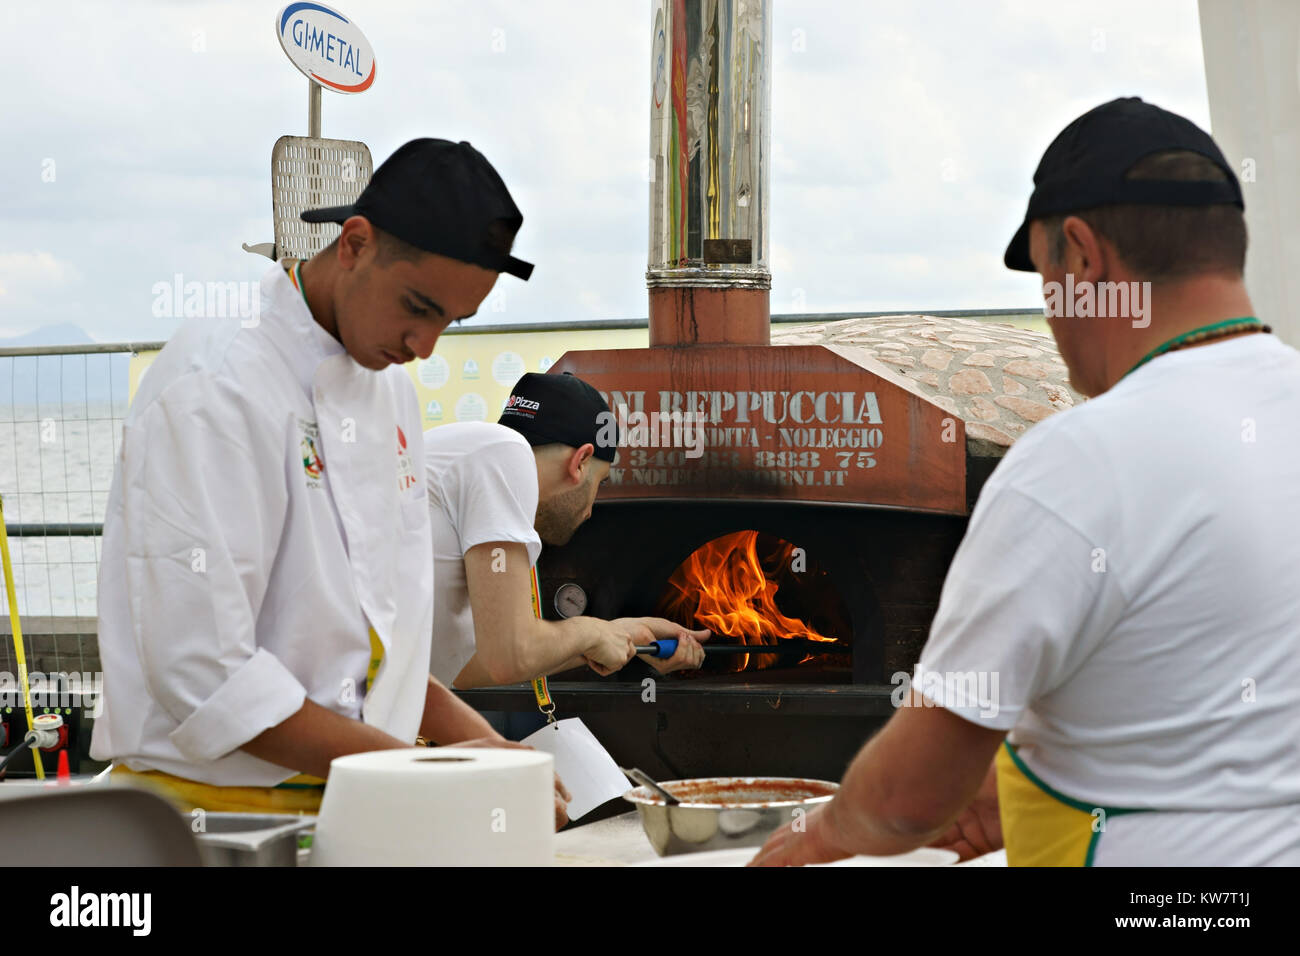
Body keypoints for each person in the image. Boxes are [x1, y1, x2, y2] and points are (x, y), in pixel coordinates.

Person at [751, 97, 1300, 867]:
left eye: (1045, 278)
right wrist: (1045, 785)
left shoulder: (1080, 461)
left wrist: (818, 837)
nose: (1049, 315)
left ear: (1081, 255)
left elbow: (910, 795)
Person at [92, 139, 573, 822]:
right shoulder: (218, 384)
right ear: (354, 244)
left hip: (356, 801)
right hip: (214, 820)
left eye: (449, 321)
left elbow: (379, 640)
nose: (424, 346)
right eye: (417, 306)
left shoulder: (388, 390)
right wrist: (429, 774)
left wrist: (486, 746)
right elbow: (208, 676)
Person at [426, 372, 708, 694]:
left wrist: (619, 633)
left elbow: (466, 668)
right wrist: (588, 631)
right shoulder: (506, 454)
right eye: (599, 483)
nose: (590, 511)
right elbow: (509, 657)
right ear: (581, 461)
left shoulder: (468, 458)